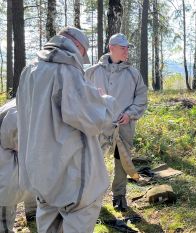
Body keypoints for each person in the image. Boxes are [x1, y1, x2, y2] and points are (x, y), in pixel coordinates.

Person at [16, 26, 122, 233]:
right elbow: (94, 119)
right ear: (78, 47)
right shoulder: (65, 70)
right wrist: (105, 100)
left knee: (48, 221)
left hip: (39, 170)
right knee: (80, 217)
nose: (82, 58)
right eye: (83, 53)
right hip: (69, 173)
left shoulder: (29, 70)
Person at [85, 33, 148, 212]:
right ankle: (92, 196)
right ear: (111, 48)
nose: (126, 51)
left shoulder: (133, 73)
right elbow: (79, 97)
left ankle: (119, 195)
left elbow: (141, 98)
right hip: (97, 126)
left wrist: (130, 114)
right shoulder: (92, 72)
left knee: (121, 160)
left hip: (124, 125)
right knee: (94, 159)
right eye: (123, 47)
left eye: (127, 47)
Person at [0, 99, 36, 232]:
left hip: (9, 169)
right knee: (3, 218)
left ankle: (32, 217)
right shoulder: (18, 109)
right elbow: (14, 139)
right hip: (6, 171)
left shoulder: (21, 103)